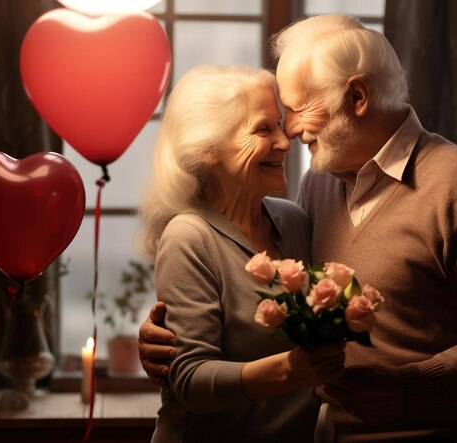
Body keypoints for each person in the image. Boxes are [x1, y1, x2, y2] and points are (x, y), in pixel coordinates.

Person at [138, 15, 457, 442]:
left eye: (298, 110)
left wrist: (411, 388)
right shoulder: (318, 185)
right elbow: (291, 313)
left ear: (357, 95)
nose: (292, 131)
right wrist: (171, 342)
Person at [135, 64, 346, 443]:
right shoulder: (189, 236)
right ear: (209, 149)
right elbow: (190, 382)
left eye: (280, 125)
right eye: (264, 129)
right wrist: (292, 369)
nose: (285, 141)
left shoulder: (295, 221)